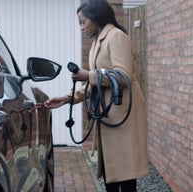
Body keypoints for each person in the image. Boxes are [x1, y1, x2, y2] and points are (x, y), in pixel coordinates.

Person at [44, 0, 149, 191]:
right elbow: (96, 84)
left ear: (96, 17)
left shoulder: (116, 37)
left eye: (83, 22)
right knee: (112, 173)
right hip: (111, 114)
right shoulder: (99, 40)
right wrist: (66, 98)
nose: (81, 27)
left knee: (124, 175)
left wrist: (88, 75)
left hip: (122, 115)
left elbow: (124, 76)